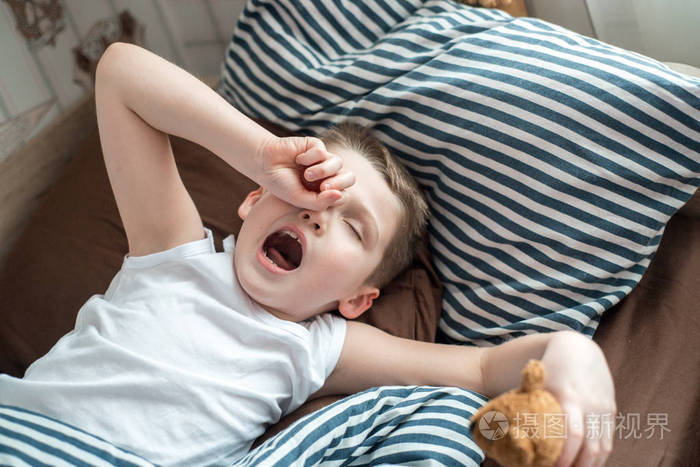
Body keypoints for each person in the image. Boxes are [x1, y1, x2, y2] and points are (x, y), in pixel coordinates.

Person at [0, 43, 616, 467]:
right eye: (315, 186)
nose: (318, 211)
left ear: (358, 298)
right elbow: (120, 73)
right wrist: (264, 154)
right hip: (27, 431)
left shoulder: (319, 344)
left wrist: (572, 352)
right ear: (251, 201)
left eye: (354, 226)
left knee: (444, 415)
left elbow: (480, 373)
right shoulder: (173, 253)